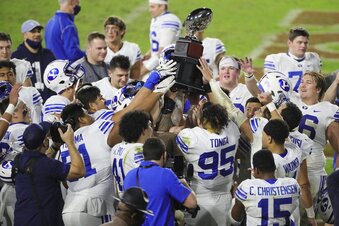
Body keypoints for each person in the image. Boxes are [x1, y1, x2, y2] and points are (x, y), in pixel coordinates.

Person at [59, 69, 176, 225]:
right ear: (81, 119)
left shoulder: (64, 145)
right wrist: (156, 91)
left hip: (69, 208)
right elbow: (130, 114)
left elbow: (65, 181)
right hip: (94, 207)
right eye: (87, 114)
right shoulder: (96, 129)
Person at [175, 102, 240, 226]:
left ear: (203, 120)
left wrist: (196, 118)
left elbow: (183, 134)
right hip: (225, 197)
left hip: (199, 198)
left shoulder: (193, 137)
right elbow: (227, 118)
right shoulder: (232, 130)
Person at [13, 122, 85, 226]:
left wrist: (55, 147)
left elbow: (38, 163)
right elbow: (79, 171)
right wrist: (70, 142)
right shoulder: (46, 165)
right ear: (44, 142)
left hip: (21, 219)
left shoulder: (19, 159)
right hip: (42, 220)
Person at [124, 137, 197, 226]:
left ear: (144, 155)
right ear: (164, 155)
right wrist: (184, 183)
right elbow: (192, 203)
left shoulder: (130, 175)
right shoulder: (165, 174)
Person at [229, 149, 301, 225]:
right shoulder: (292, 184)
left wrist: (235, 198)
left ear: (256, 170)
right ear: (274, 167)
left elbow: (235, 220)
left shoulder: (247, 187)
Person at [264, 27, 321, 93]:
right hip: (285, 101)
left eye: (305, 43)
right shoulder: (275, 60)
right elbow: (269, 87)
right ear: (289, 43)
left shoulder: (314, 58)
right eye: (299, 42)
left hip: (307, 101)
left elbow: (319, 85)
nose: (303, 46)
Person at [12, 19, 56, 101]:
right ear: (24, 35)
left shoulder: (48, 55)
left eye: (39, 31)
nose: (37, 34)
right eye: (33, 31)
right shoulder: (16, 57)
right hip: (27, 105)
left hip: (49, 103)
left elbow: (55, 80)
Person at [111, 110, 153, 194]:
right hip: (138, 201)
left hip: (123, 199)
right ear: (143, 130)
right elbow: (149, 179)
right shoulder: (138, 149)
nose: (152, 128)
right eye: (150, 125)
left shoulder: (116, 147)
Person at [140, 0, 182, 77]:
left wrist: (142, 71)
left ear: (162, 6)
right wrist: (148, 54)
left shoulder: (170, 20)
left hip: (168, 68)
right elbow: (157, 43)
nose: (150, 10)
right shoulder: (156, 18)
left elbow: (163, 51)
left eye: (152, 7)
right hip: (157, 63)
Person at [104, 16, 142, 80]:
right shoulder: (100, 49)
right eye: (107, 28)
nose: (110, 32)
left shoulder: (133, 49)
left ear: (122, 31)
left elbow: (135, 76)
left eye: (113, 29)